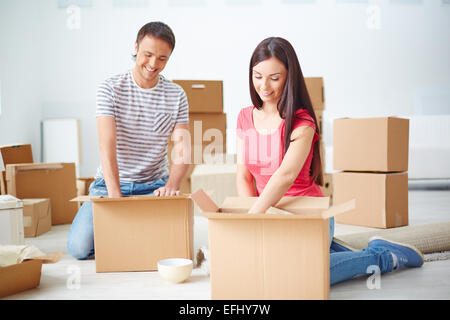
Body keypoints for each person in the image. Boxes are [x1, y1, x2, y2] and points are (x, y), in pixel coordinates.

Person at [236, 37, 424, 285]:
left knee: (304, 274)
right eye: (258, 76)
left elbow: (285, 175)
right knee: (266, 269)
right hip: (271, 213)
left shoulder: (302, 122)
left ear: (289, 77)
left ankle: (384, 257)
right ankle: (333, 249)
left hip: (309, 213)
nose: (264, 86)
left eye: (275, 78)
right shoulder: (245, 117)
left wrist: (253, 216)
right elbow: (243, 175)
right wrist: (253, 221)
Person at [67, 22, 191, 260]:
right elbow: (107, 144)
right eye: (148, 54)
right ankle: (124, 240)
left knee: (173, 244)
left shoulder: (176, 95)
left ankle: (130, 239)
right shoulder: (110, 88)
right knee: (79, 248)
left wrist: (172, 185)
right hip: (110, 186)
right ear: (135, 47)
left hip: (154, 188)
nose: (154, 64)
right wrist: (116, 197)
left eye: (162, 58)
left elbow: (183, 148)